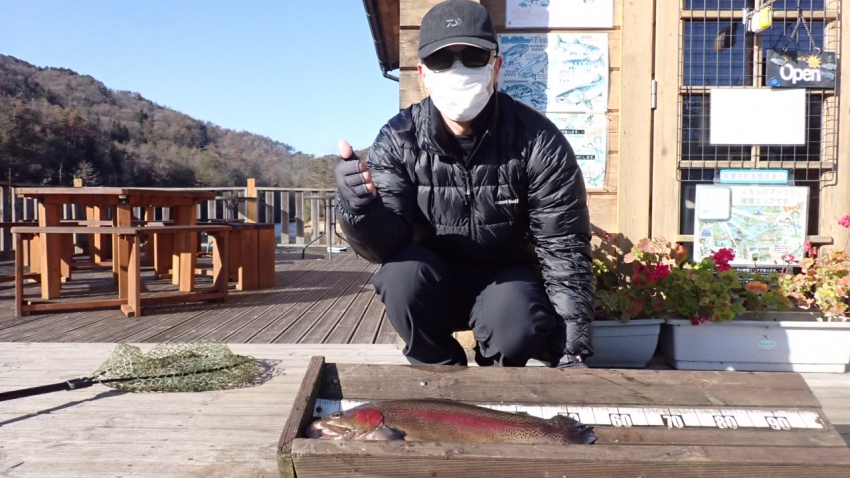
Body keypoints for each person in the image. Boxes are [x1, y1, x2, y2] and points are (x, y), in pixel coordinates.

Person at [334, 0, 594, 368]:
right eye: (441, 60)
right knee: (400, 277)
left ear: (495, 67)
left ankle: (498, 385)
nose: (458, 70)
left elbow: (563, 245)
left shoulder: (538, 140)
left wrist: (572, 349)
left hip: (507, 283)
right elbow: (386, 247)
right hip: (434, 281)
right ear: (423, 73)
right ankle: (438, 372)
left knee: (515, 321)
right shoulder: (397, 140)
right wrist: (360, 208)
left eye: (473, 57)